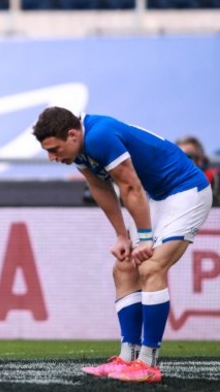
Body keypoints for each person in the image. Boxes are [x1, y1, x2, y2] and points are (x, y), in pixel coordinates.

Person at [32, 106, 212, 383]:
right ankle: (128, 358)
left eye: (54, 149)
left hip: (185, 190)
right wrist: (121, 237)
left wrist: (142, 238)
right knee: (124, 268)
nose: (52, 157)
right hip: (157, 196)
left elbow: (130, 187)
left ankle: (148, 364)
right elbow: (100, 187)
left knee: (151, 267)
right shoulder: (78, 147)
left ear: (71, 134)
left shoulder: (99, 136)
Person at [176, 135, 220, 202]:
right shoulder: (169, 185)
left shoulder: (216, 179)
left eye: (188, 156)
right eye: (179, 156)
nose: (182, 162)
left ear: (200, 160)